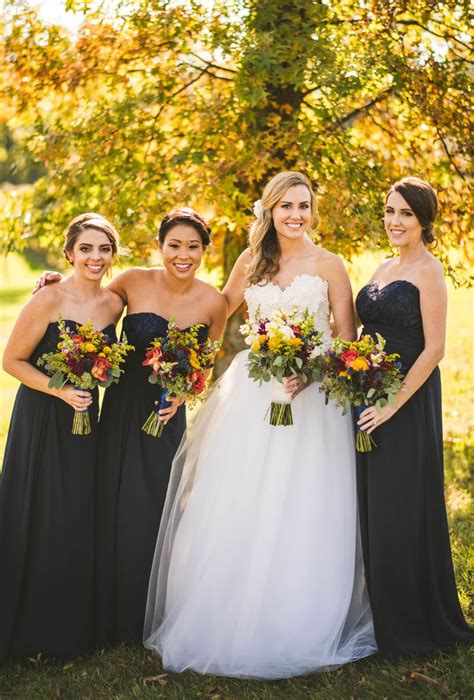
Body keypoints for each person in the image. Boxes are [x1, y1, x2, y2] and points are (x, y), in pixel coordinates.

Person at [144, 171, 377, 678]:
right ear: (269, 210)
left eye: (304, 205)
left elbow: (344, 337)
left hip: (312, 401)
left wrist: (310, 371)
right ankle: (227, 608)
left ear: (313, 210)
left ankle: (297, 614)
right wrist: (163, 297)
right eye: (286, 205)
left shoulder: (331, 265)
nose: (296, 214)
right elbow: (217, 309)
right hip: (252, 394)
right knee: (241, 495)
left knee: (304, 500)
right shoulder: (252, 261)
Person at [94, 208, 226, 646]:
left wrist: (183, 394)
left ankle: (147, 612)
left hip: (165, 417)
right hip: (121, 409)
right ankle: (104, 611)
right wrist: (52, 283)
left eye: (193, 246)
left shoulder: (213, 302)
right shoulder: (132, 280)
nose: (183, 255)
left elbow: (205, 364)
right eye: (175, 245)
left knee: (155, 507)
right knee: (113, 500)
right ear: (160, 246)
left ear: (205, 250)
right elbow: (88, 304)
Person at [355, 176, 473, 654]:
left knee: (399, 508)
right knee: (371, 506)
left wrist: (390, 405)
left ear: (424, 219)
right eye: (389, 211)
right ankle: (377, 612)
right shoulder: (382, 266)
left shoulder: (430, 270)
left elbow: (435, 350)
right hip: (364, 393)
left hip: (405, 398)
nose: (395, 221)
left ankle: (408, 622)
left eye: (405, 213)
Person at [0, 214, 123, 664]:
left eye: (104, 249)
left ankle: (71, 624)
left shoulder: (114, 305)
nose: (95, 258)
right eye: (86, 249)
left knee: (77, 511)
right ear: (69, 253)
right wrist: (60, 388)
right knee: (41, 508)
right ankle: (28, 624)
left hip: (88, 421)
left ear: (113, 255)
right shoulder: (49, 297)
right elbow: (12, 361)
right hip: (44, 416)